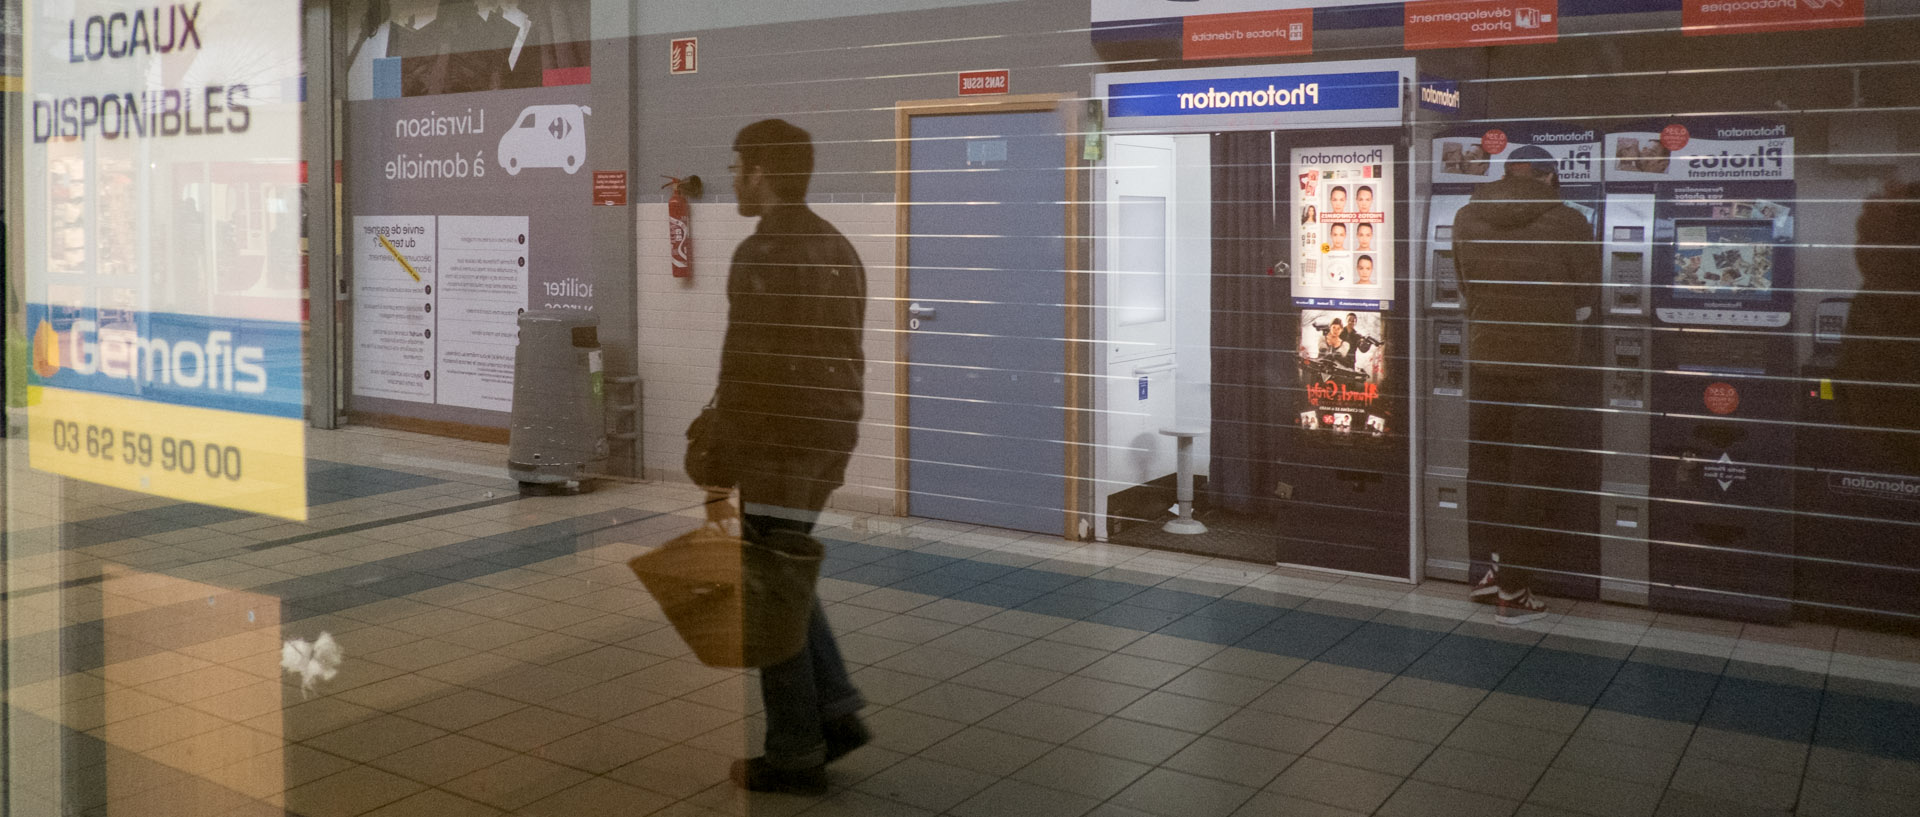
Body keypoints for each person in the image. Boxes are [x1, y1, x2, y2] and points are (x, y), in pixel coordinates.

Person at [698, 118, 870, 794]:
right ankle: (835, 710)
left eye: (738, 166)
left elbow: (747, 371)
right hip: (826, 437)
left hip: (779, 444)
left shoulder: (763, 252)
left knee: (770, 594)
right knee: (786, 572)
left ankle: (797, 751)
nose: (733, 179)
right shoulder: (838, 244)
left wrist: (718, 469)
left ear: (761, 171)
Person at [1451, 143, 1601, 625]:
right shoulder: (1570, 221)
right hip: (1546, 367)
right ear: (1549, 177)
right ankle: (1514, 593)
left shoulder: (1466, 216)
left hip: (1487, 359)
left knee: (1488, 466)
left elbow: (1464, 283)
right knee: (1531, 473)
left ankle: (1489, 572)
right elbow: (1586, 293)